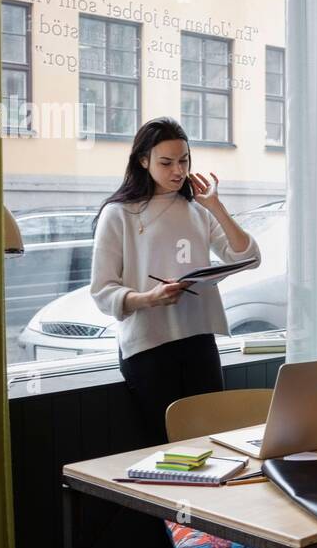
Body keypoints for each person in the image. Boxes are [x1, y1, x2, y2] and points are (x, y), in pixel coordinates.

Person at [90, 117, 261, 444]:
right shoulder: (120, 213)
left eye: (183, 161)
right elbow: (102, 291)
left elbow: (248, 257)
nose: (178, 171)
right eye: (166, 162)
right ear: (143, 161)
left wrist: (216, 206)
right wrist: (149, 298)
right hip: (148, 347)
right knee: (166, 448)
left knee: (212, 443)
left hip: (199, 341)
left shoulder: (197, 209)